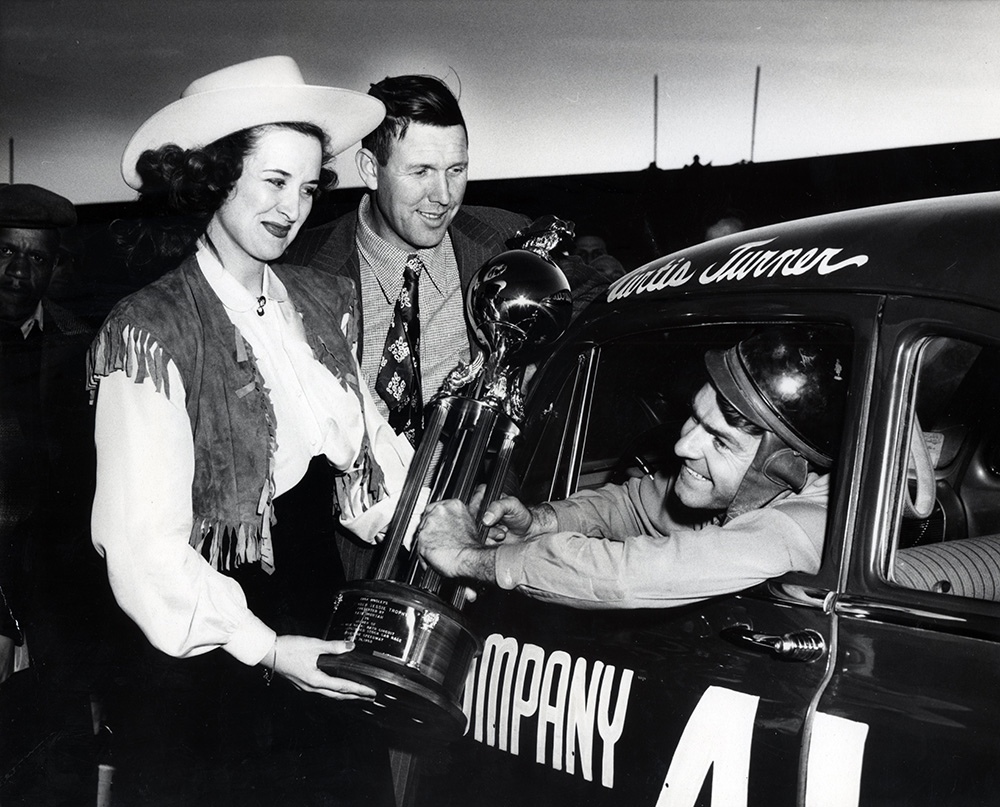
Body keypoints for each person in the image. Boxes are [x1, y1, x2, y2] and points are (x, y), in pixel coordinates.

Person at [88, 56, 411, 806]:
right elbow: (140, 546)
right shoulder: (152, 328)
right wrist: (266, 647)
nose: (292, 207)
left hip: (320, 635)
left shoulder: (316, 299)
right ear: (215, 175)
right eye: (273, 180)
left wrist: (440, 530)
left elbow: (368, 468)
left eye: (307, 186)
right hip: (214, 665)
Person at [417, 326, 849, 609]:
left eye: (719, 440)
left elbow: (623, 577)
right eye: (693, 419)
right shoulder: (743, 487)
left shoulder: (808, 527)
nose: (682, 446)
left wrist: (469, 557)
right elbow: (632, 505)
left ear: (784, 469)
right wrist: (541, 522)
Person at [0, 184, 106, 802]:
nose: (21, 270)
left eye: (36, 257)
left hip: (60, 587)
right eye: (8, 253)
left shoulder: (80, 341)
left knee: (57, 746)